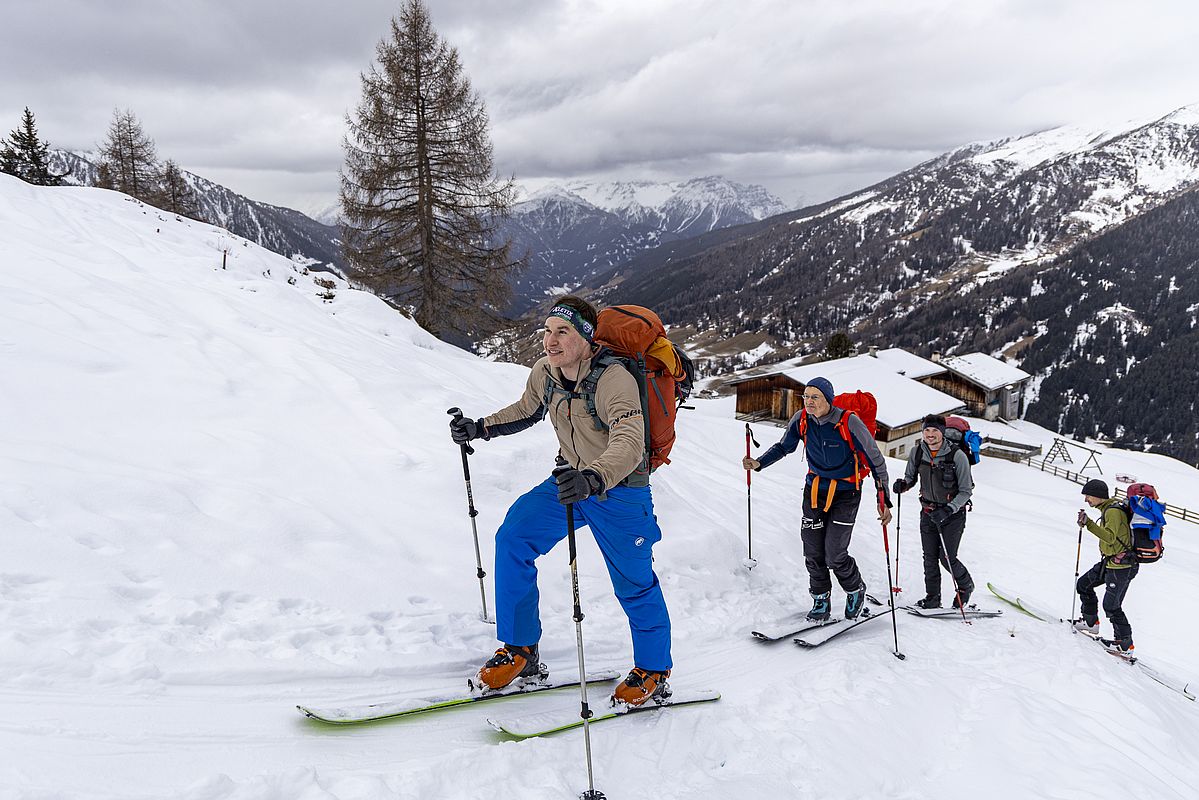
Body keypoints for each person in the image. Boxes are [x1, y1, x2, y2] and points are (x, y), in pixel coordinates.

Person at [448, 295, 672, 706]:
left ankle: (654, 670)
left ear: (585, 337)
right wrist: (480, 428)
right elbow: (527, 409)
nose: (550, 341)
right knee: (513, 537)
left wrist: (594, 477)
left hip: (619, 491)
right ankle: (521, 650)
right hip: (570, 481)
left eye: (562, 332)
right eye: (548, 331)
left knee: (634, 584)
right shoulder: (546, 372)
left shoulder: (613, 379)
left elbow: (629, 439)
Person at [742, 376, 892, 622]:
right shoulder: (801, 419)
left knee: (835, 554)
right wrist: (759, 463)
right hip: (814, 491)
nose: (809, 402)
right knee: (812, 551)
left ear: (828, 400)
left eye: (815, 397)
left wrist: (883, 498)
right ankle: (820, 600)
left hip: (846, 493)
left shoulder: (848, 422)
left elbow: (875, 459)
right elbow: (784, 447)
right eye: (806, 396)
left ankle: (855, 588)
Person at [892, 414, 975, 609]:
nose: (930, 435)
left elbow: (966, 491)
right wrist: (903, 485)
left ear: (942, 432)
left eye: (934, 431)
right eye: (926, 430)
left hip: (953, 516)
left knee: (947, 558)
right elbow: (910, 478)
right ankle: (932, 598)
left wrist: (948, 510)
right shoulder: (917, 452)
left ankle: (965, 586)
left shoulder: (957, 456)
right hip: (928, 512)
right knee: (929, 557)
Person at [1073, 478, 1137, 653]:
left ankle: (1124, 644)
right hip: (1110, 562)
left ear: (1098, 495)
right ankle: (1090, 621)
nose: (1086, 499)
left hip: (1122, 567)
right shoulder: (1108, 509)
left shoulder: (1113, 512)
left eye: (1088, 496)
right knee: (1084, 584)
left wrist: (1089, 524)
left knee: (1111, 605)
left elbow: (1109, 537)